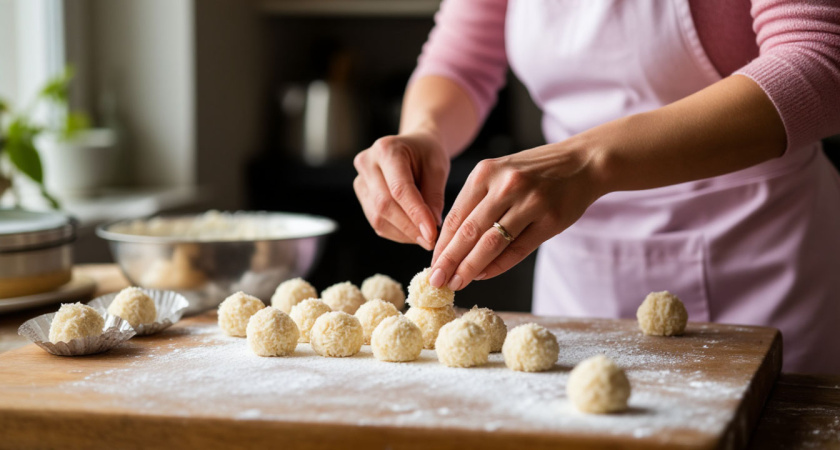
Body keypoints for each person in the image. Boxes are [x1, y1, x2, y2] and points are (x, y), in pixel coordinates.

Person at [352, 0, 840, 374]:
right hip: (577, 269)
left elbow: (820, 57)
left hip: (758, 257)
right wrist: (423, 131)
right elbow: (463, 58)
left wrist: (586, 160)